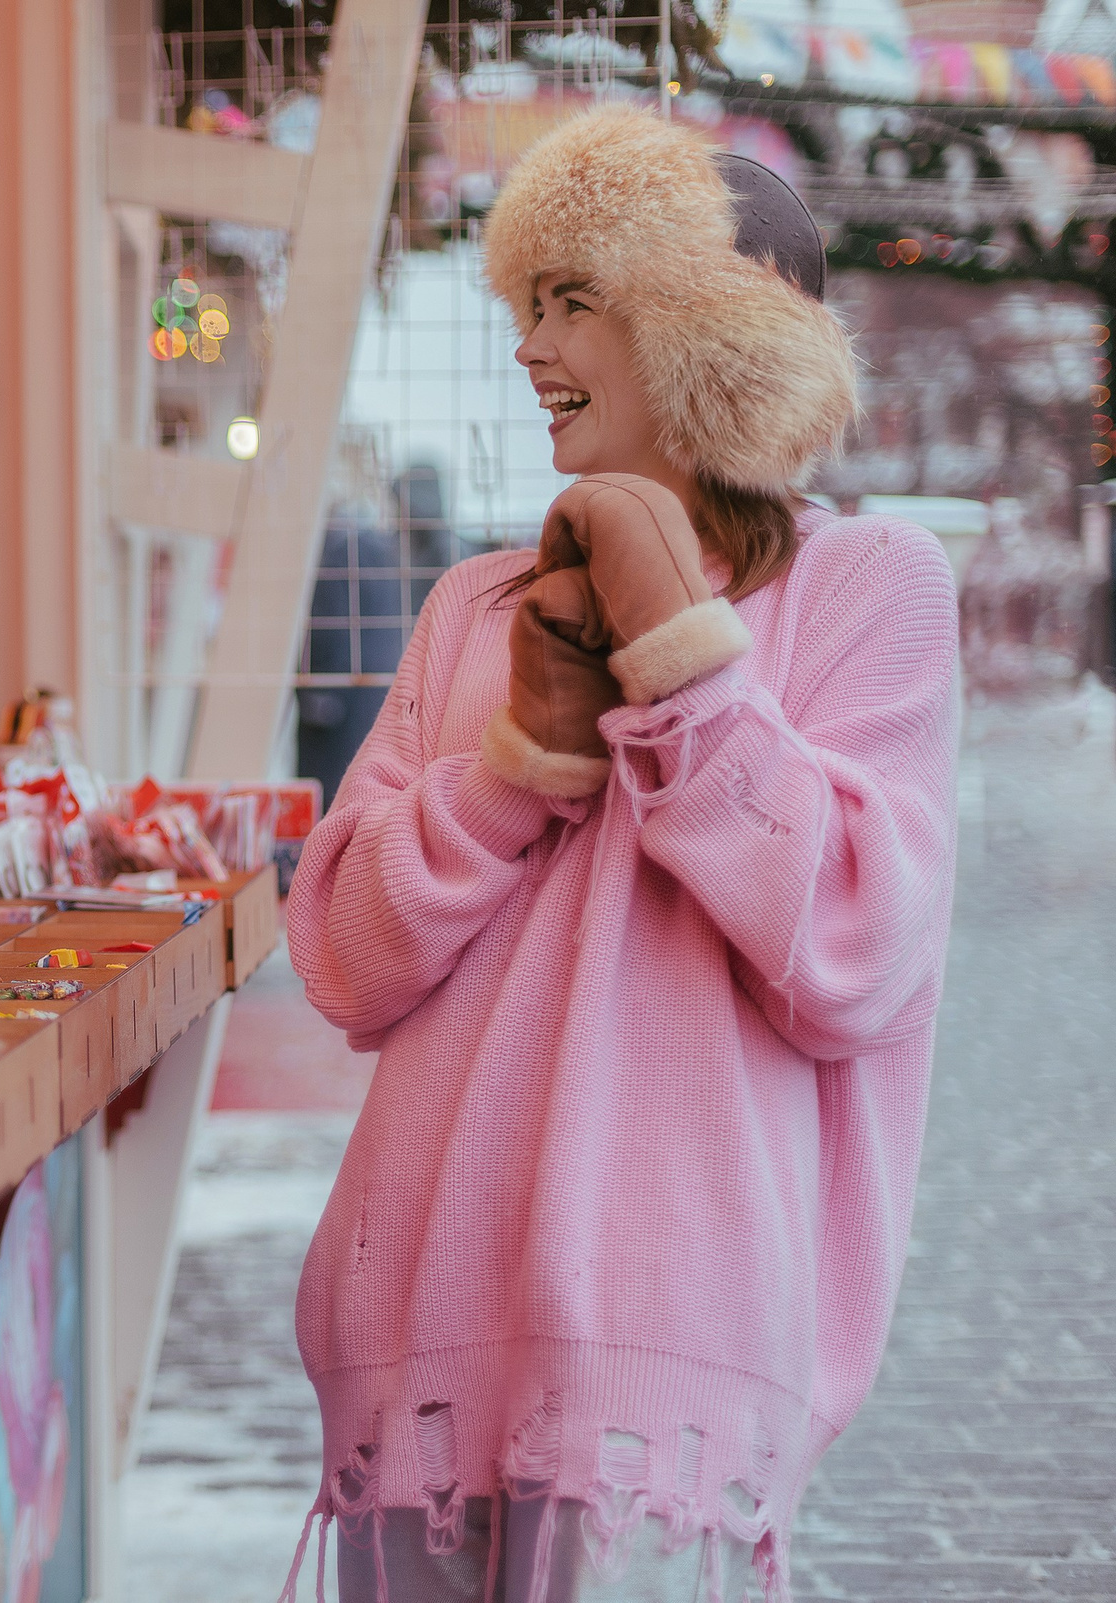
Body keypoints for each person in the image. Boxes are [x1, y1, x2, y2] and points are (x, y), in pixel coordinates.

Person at [281, 108, 959, 1603]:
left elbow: (856, 950)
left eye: (575, 302)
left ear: (711, 330)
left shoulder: (872, 587)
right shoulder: (476, 604)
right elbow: (337, 954)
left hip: (671, 1375)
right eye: (530, 305)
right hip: (422, 1351)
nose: (530, 349)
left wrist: (691, 669)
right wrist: (513, 768)